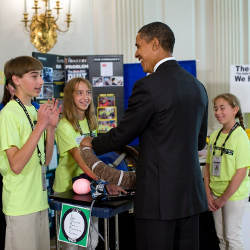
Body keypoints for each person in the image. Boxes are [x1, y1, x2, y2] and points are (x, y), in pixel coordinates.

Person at [80, 21, 208, 250]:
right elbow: (199, 142)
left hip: (158, 200)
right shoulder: (197, 87)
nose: (136, 53)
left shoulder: (148, 86)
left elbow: (122, 135)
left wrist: (91, 143)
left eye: (139, 45)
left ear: (156, 44)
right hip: (190, 198)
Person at [53, 77, 126, 250]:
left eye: (88, 92)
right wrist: (106, 182)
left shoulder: (90, 121)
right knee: (71, 244)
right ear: (70, 96)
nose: (85, 97)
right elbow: (83, 160)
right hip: (68, 191)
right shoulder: (64, 126)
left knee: (91, 242)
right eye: (79, 93)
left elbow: (95, 156)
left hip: (90, 187)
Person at [0, 55, 61, 250]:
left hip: (40, 202)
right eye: (34, 76)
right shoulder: (8, 114)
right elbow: (16, 165)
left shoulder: (35, 111)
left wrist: (50, 128)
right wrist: (41, 125)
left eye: (41, 76)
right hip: (20, 205)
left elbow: (46, 160)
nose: (41, 81)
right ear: (16, 80)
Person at [204, 93, 250, 250]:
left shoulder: (241, 137)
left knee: (232, 237)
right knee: (221, 238)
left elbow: (241, 173)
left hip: (233, 196)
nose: (217, 112)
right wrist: (208, 193)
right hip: (215, 195)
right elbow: (208, 166)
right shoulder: (215, 135)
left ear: (235, 110)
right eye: (215, 108)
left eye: (222, 108)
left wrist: (223, 199)